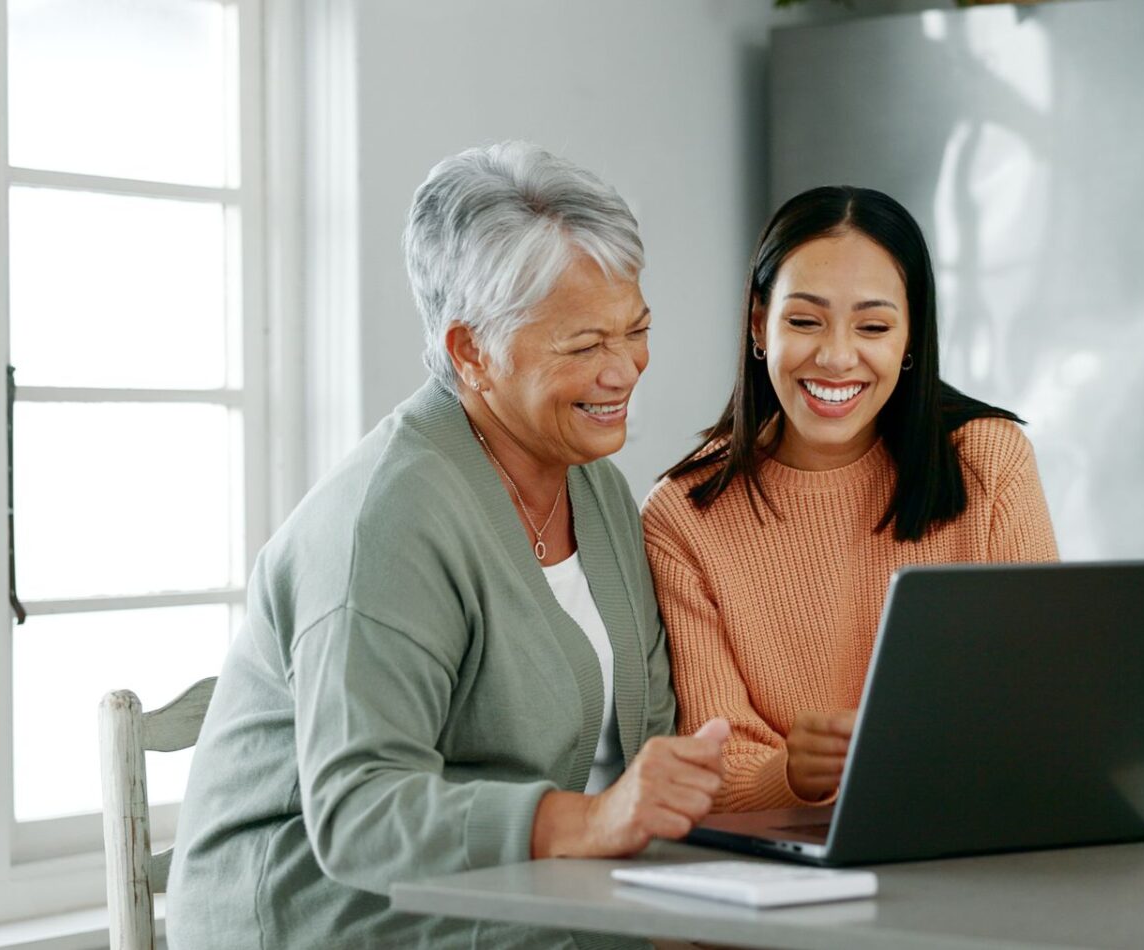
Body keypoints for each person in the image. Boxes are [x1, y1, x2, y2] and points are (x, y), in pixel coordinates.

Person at [167, 141, 728, 949]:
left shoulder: (595, 486)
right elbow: (362, 812)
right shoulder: (386, 519)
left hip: (515, 911)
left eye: (635, 329)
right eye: (582, 346)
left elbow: (644, 743)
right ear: (471, 353)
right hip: (328, 924)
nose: (625, 369)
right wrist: (589, 820)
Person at [642, 186, 1057, 813]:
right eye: (804, 321)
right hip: (793, 869)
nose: (837, 357)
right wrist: (792, 773)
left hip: (980, 837)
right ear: (759, 324)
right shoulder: (683, 516)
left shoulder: (988, 462)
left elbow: (1046, 703)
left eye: (874, 326)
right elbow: (717, 766)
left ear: (912, 335)